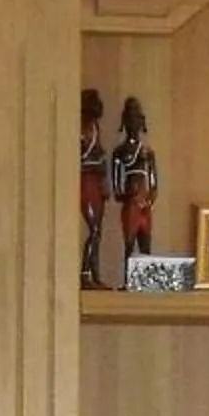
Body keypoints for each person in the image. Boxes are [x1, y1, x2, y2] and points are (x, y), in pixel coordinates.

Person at [107, 97, 159, 262]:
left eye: (136, 119)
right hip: (131, 201)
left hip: (145, 201)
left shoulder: (147, 152)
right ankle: (128, 280)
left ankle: (144, 280)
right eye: (129, 119)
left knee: (145, 244)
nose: (133, 124)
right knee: (129, 243)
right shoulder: (120, 151)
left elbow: (153, 179)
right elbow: (116, 183)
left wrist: (150, 197)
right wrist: (126, 196)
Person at [79, 88, 109, 289]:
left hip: (96, 181)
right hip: (87, 180)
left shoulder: (94, 127)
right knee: (94, 229)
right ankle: (86, 273)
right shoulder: (81, 127)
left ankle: (93, 273)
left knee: (98, 230)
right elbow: (82, 158)